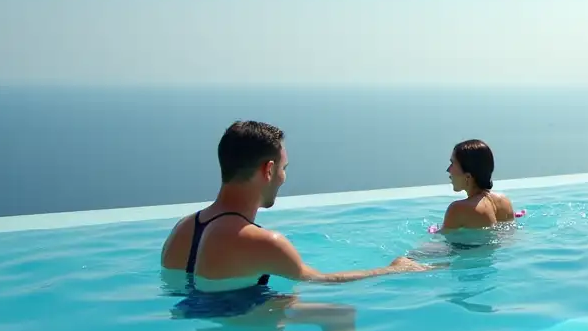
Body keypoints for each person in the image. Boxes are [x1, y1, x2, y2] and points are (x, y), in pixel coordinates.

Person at [161, 121, 430, 315]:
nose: (283, 177)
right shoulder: (264, 241)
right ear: (268, 169)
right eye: (283, 168)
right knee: (340, 315)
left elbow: (181, 295)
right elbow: (323, 281)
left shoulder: (183, 229)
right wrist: (393, 270)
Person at [437, 139, 517, 235]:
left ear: (468, 177)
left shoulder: (458, 209)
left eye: (452, 163)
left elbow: (440, 244)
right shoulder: (505, 201)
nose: (448, 170)